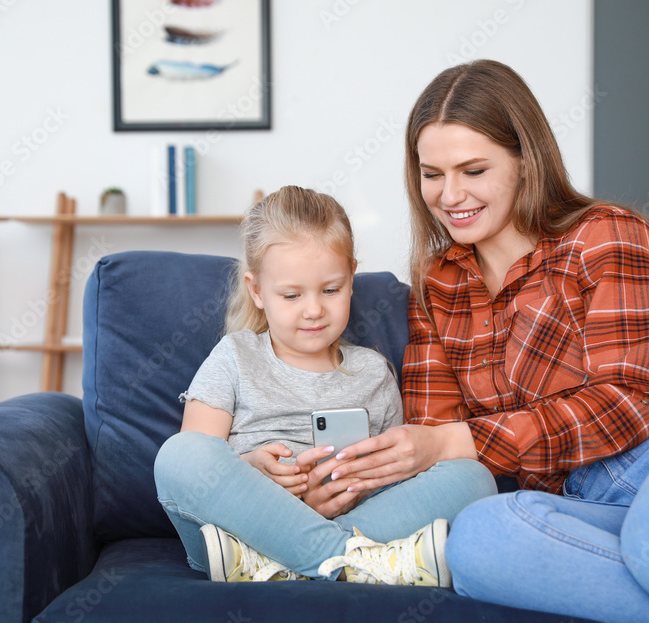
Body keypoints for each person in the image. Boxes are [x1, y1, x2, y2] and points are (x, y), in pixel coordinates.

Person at [324, 59, 649, 623]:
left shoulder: (608, 232)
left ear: (524, 160)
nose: (449, 194)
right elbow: (436, 445)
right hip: (588, 490)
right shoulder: (438, 283)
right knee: (479, 543)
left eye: (474, 169)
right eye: (431, 173)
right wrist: (346, 481)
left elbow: (629, 399)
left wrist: (447, 442)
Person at [154, 185, 497, 585]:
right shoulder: (235, 356)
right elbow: (200, 451)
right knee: (180, 455)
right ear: (256, 290)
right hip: (241, 533)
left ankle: (298, 565)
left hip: (345, 524)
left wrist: (338, 500)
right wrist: (252, 470)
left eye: (330, 290)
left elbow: (393, 476)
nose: (314, 309)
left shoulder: (372, 372)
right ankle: (349, 563)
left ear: (352, 278)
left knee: (474, 478)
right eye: (291, 295)